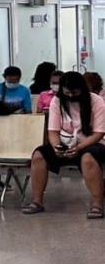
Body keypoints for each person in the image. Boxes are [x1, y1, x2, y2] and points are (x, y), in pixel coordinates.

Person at [21, 71, 105, 220]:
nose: (71, 96)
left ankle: (97, 204)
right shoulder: (57, 101)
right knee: (39, 155)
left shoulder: (96, 101)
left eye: (75, 92)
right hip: (66, 142)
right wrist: (56, 147)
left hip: (92, 142)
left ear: (82, 89)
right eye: (67, 93)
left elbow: (98, 133)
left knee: (88, 158)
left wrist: (79, 148)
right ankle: (37, 201)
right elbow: (53, 131)